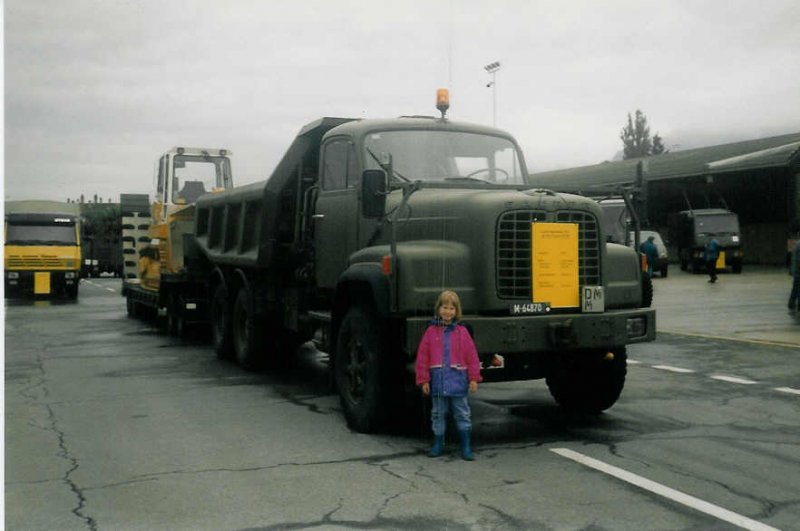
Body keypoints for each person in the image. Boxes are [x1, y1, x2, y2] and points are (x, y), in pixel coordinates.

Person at [415, 290, 482, 460]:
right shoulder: (430, 332)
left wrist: (474, 378)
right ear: (438, 309)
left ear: (456, 311)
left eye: (452, 308)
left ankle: (466, 446)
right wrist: (424, 379)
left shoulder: (462, 332)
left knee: (462, 413)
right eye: (444, 307)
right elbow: (423, 357)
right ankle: (438, 443)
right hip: (438, 382)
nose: (448, 311)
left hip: (458, 382)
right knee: (438, 414)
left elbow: (472, 356)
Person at [789, 238, 800, 311]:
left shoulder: (797, 243)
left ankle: (791, 304)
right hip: (798, 271)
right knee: (797, 289)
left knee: (795, 288)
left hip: (796, 270)